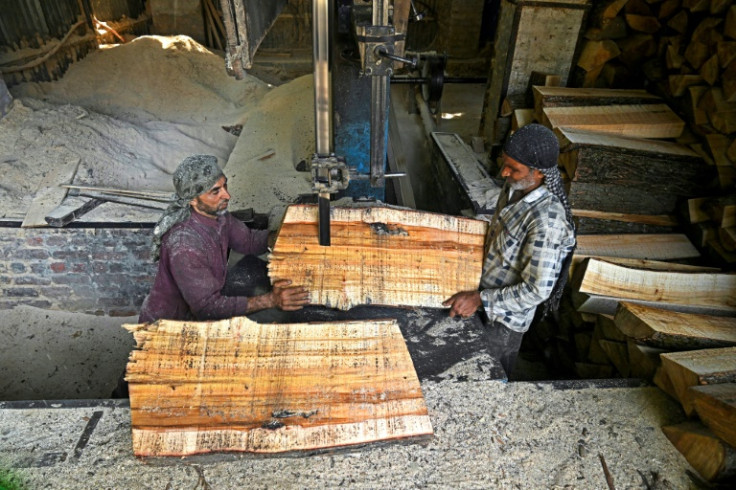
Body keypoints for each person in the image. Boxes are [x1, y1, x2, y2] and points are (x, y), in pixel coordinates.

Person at [443, 124, 576, 378]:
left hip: (503, 324)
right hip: (480, 295)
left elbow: (537, 290)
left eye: (514, 169)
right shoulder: (516, 186)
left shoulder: (547, 222)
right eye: (505, 163)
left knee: (486, 381)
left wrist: (481, 299)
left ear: (539, 173)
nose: (504, 173)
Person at [138, 154, 309, 323]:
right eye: (215, 191)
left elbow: (248, 241)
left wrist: (285, 236)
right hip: (170, 326)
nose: (227, 196)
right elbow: (208, 308)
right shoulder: (184, 245)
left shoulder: (218, 216)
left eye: (224, 185)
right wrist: (271, 300)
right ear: (193, 201)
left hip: (198, 314)